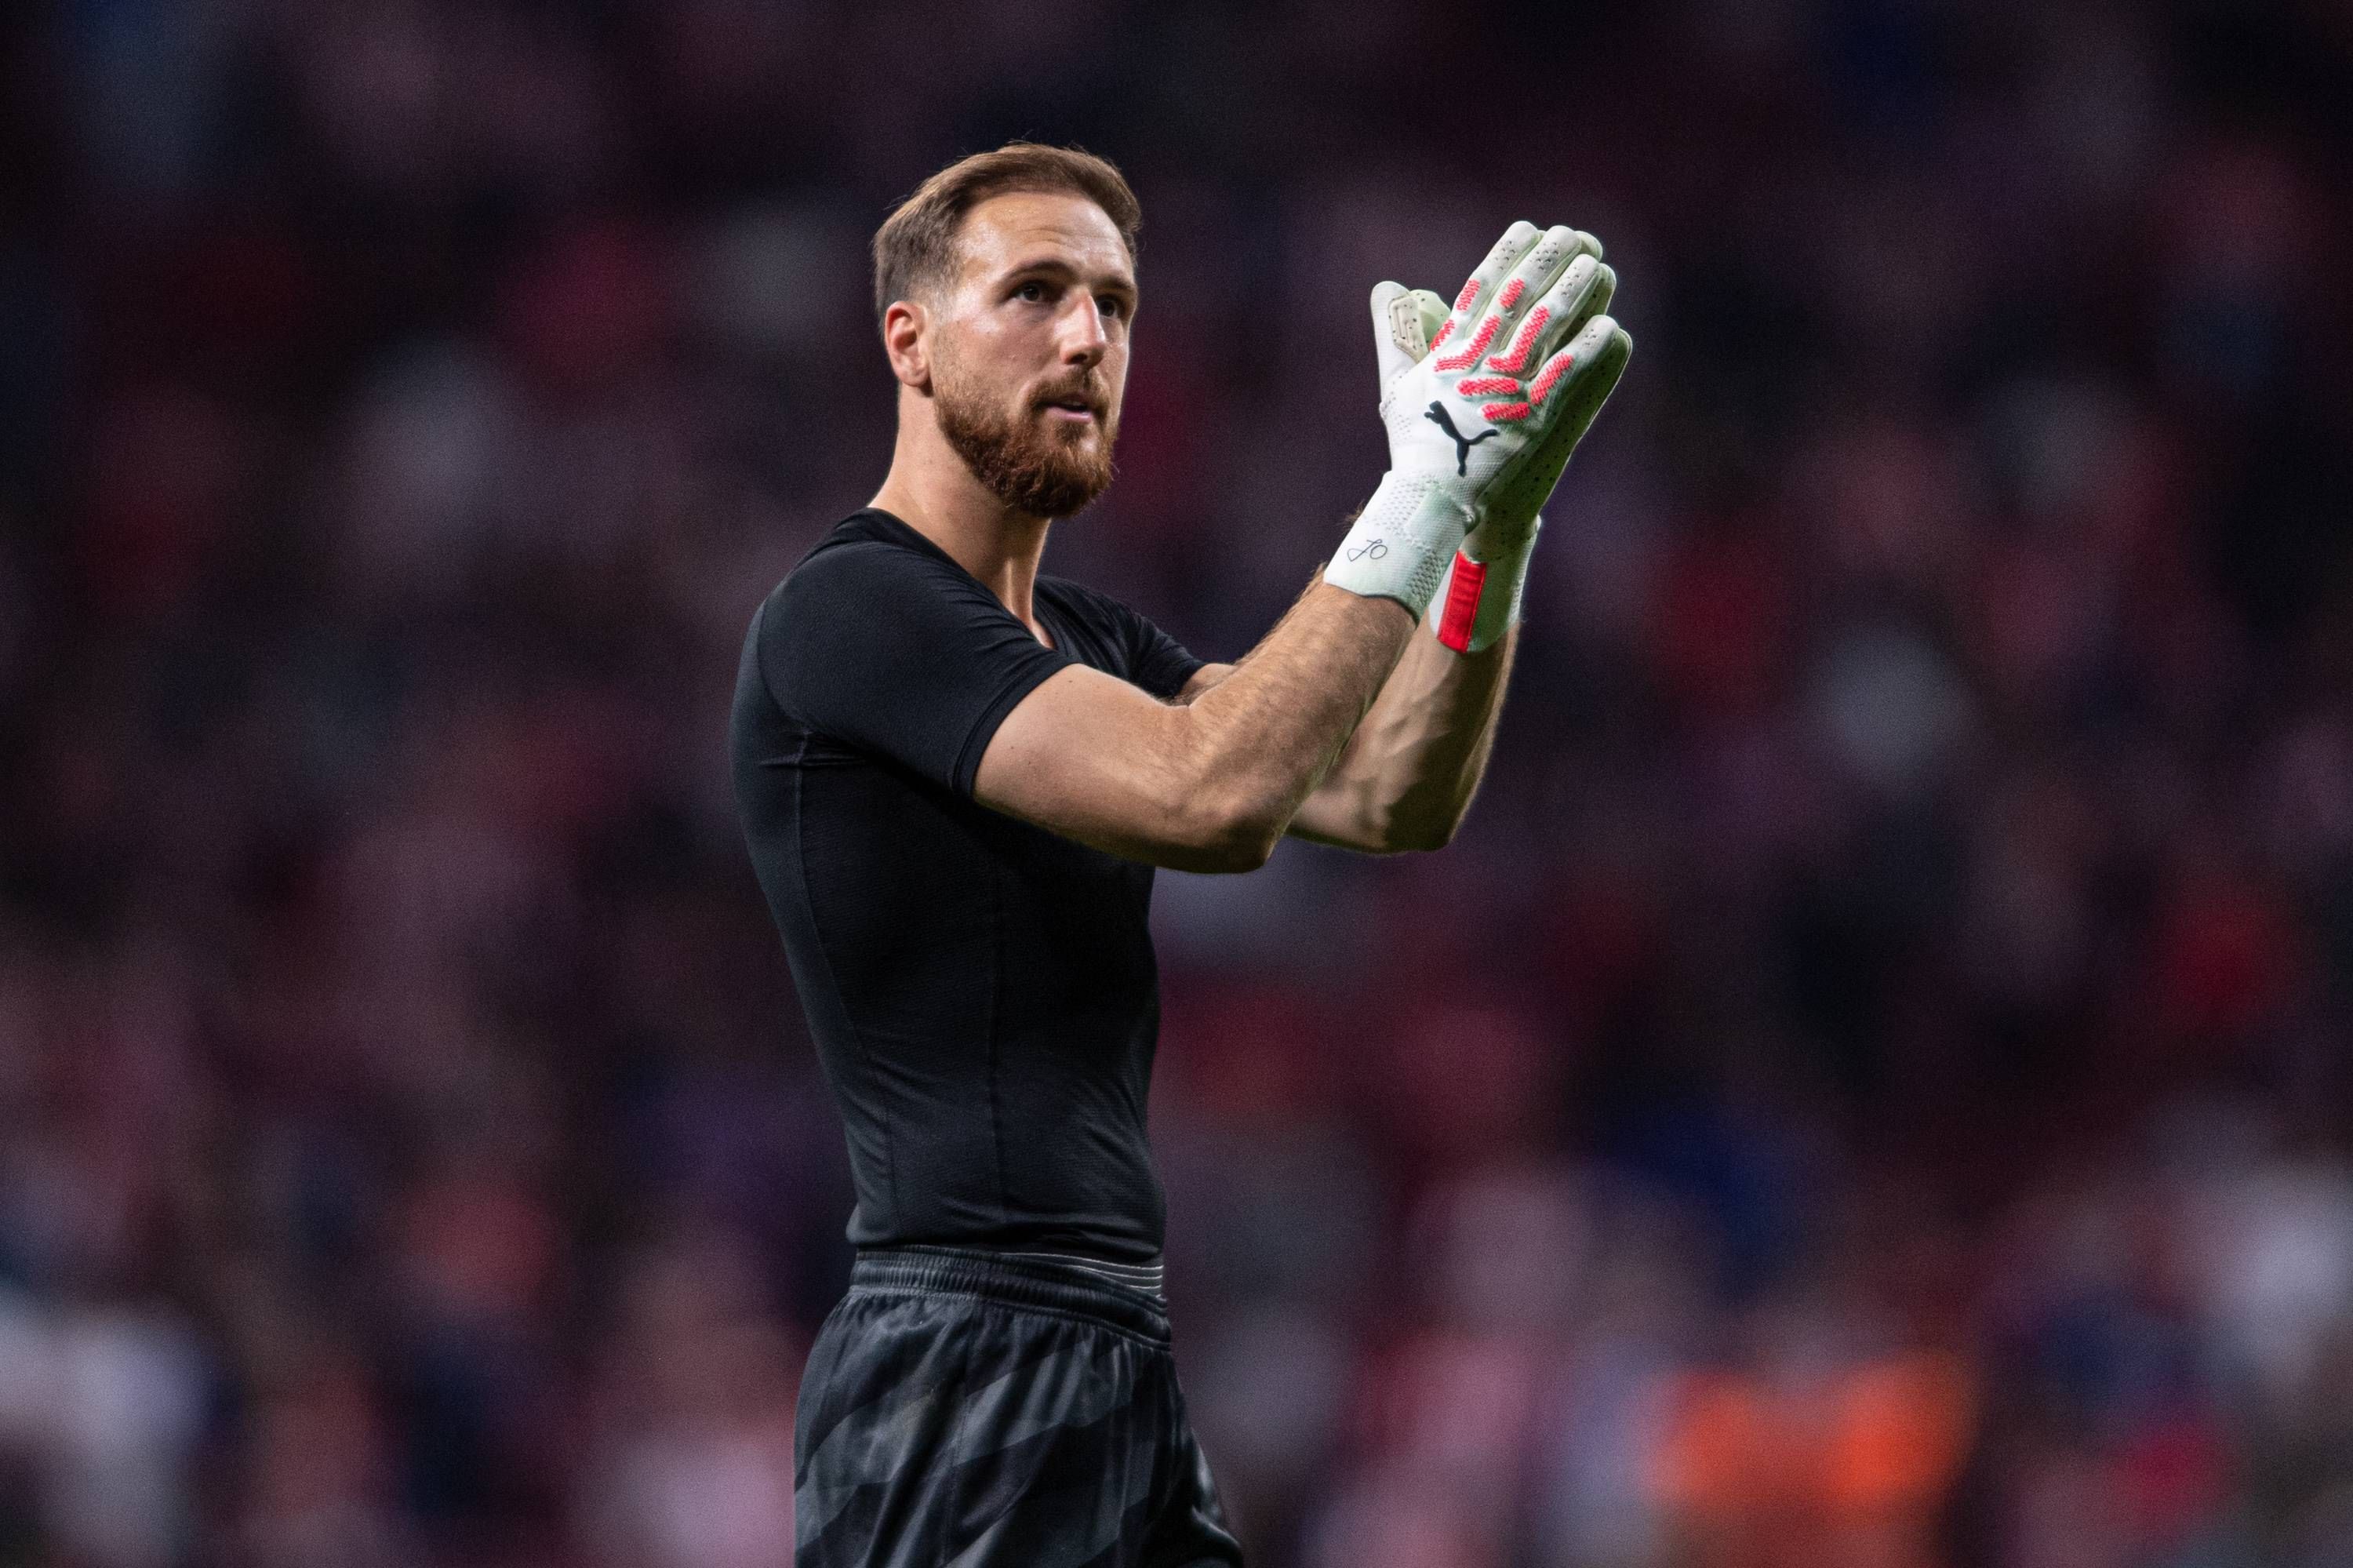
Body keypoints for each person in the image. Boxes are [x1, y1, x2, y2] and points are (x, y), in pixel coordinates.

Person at [730, 142, 1630, 1567]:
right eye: (1032, 291)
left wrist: (1484, 528)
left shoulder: (1093, 646)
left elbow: (1393, 793)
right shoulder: (850, 615)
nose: (1087, 337)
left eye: (1114, 303)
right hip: (963, 1356)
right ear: (907, 340)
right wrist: (1424, 484)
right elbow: (1213, 796)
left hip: (1111, 1352)